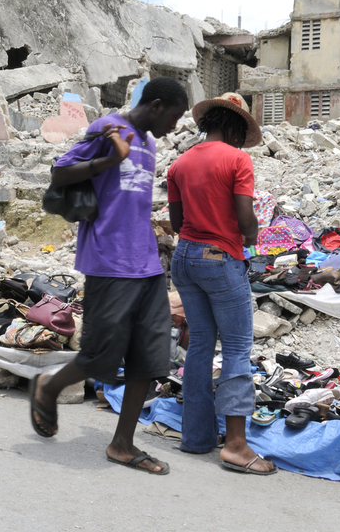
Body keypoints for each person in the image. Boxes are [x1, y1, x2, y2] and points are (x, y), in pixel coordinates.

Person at [28, 76, 188, 476]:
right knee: (100, 353)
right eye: (173, 117)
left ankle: (122, 444)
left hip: (147, 263)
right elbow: (61, 173)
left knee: (150, 357)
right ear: (154, 106)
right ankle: (48, 387)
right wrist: (109, 159)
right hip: (108, 261)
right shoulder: (107, 129)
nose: (174, 127)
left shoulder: (149, 143)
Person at [166, 92, 277, 475]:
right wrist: (249, 237)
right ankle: (236, 445)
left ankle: (195, 438)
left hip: (184, 258)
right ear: (233, 127)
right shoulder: (237, 159)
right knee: (235, 347)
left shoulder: (179, 164)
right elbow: (246, 216)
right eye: (238, 133)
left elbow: (177, 223)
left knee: (199, 344)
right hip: (219, 259)